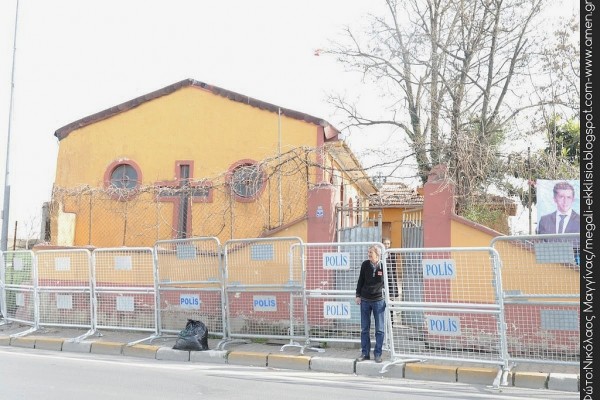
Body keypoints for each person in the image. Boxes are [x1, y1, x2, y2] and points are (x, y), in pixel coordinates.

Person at [355, 245, 386, 363]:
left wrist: (392, 296)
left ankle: (378, 354)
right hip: (365, 300)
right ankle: (365, 353)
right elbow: (360, 281)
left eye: (370, 253)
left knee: (380, 329)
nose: (368, 255)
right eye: (368, 253)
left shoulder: (383, 266)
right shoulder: (365, 265)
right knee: (364, 328)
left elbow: (390, 281)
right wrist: (358, 295)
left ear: (377, 255)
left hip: (379, 300)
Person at [382, 237, 399, 325]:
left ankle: (391, 322)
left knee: (391, 302)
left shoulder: (392, 254)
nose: (387, 245)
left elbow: (393, 268)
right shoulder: (380, 254)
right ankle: (383, 322)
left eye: (388, 244)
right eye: (385, 243)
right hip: (382, 281)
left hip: (391, 279)